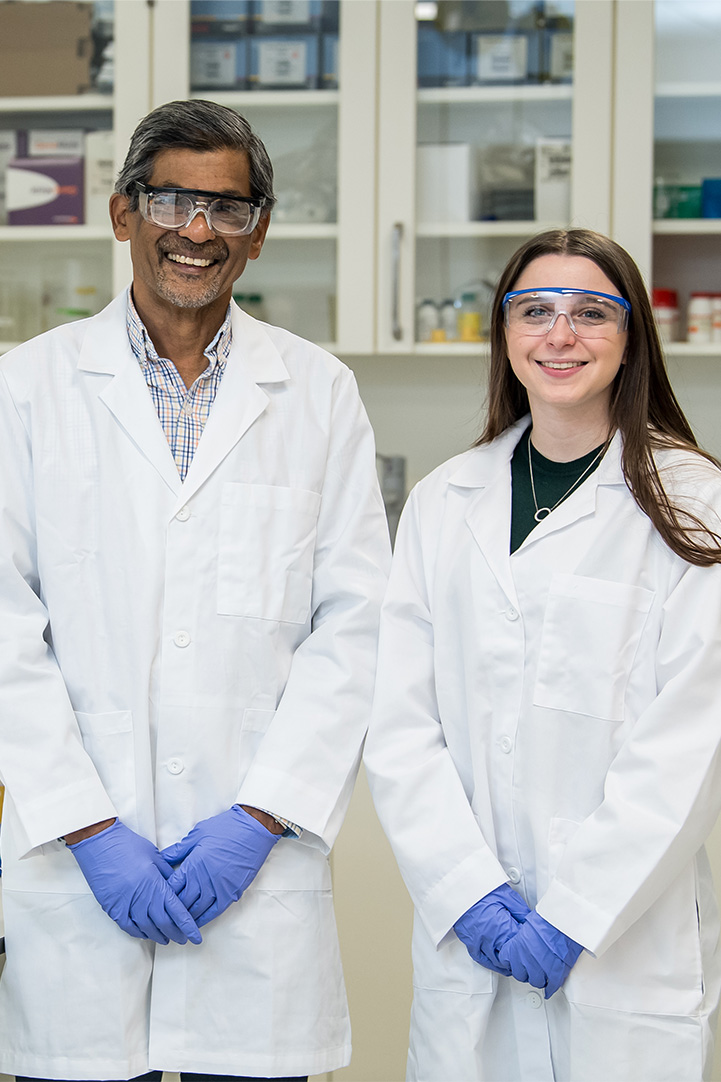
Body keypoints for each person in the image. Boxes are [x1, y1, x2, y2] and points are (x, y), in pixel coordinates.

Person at [0, 99, 391, 1082]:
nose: (198, 230)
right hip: (76, 874)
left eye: (228, 208)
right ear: (124, 213)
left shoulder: (317, 392)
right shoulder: (27, 389)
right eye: (172, 200)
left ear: (257, 236)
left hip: (253, 879)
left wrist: (260, 818)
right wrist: (87, 828)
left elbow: (355, 624)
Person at [364, 228, 721, 1082]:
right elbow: (399, 725)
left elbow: (686, 745)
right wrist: (466, 891)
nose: (560, 334)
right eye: (535, 311)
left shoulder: (695, 502)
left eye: (591, 312)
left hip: (622, 946)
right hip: (468, 936)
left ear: (631, 337)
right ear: (504, 333)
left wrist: (577, 912)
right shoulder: (442, 502)